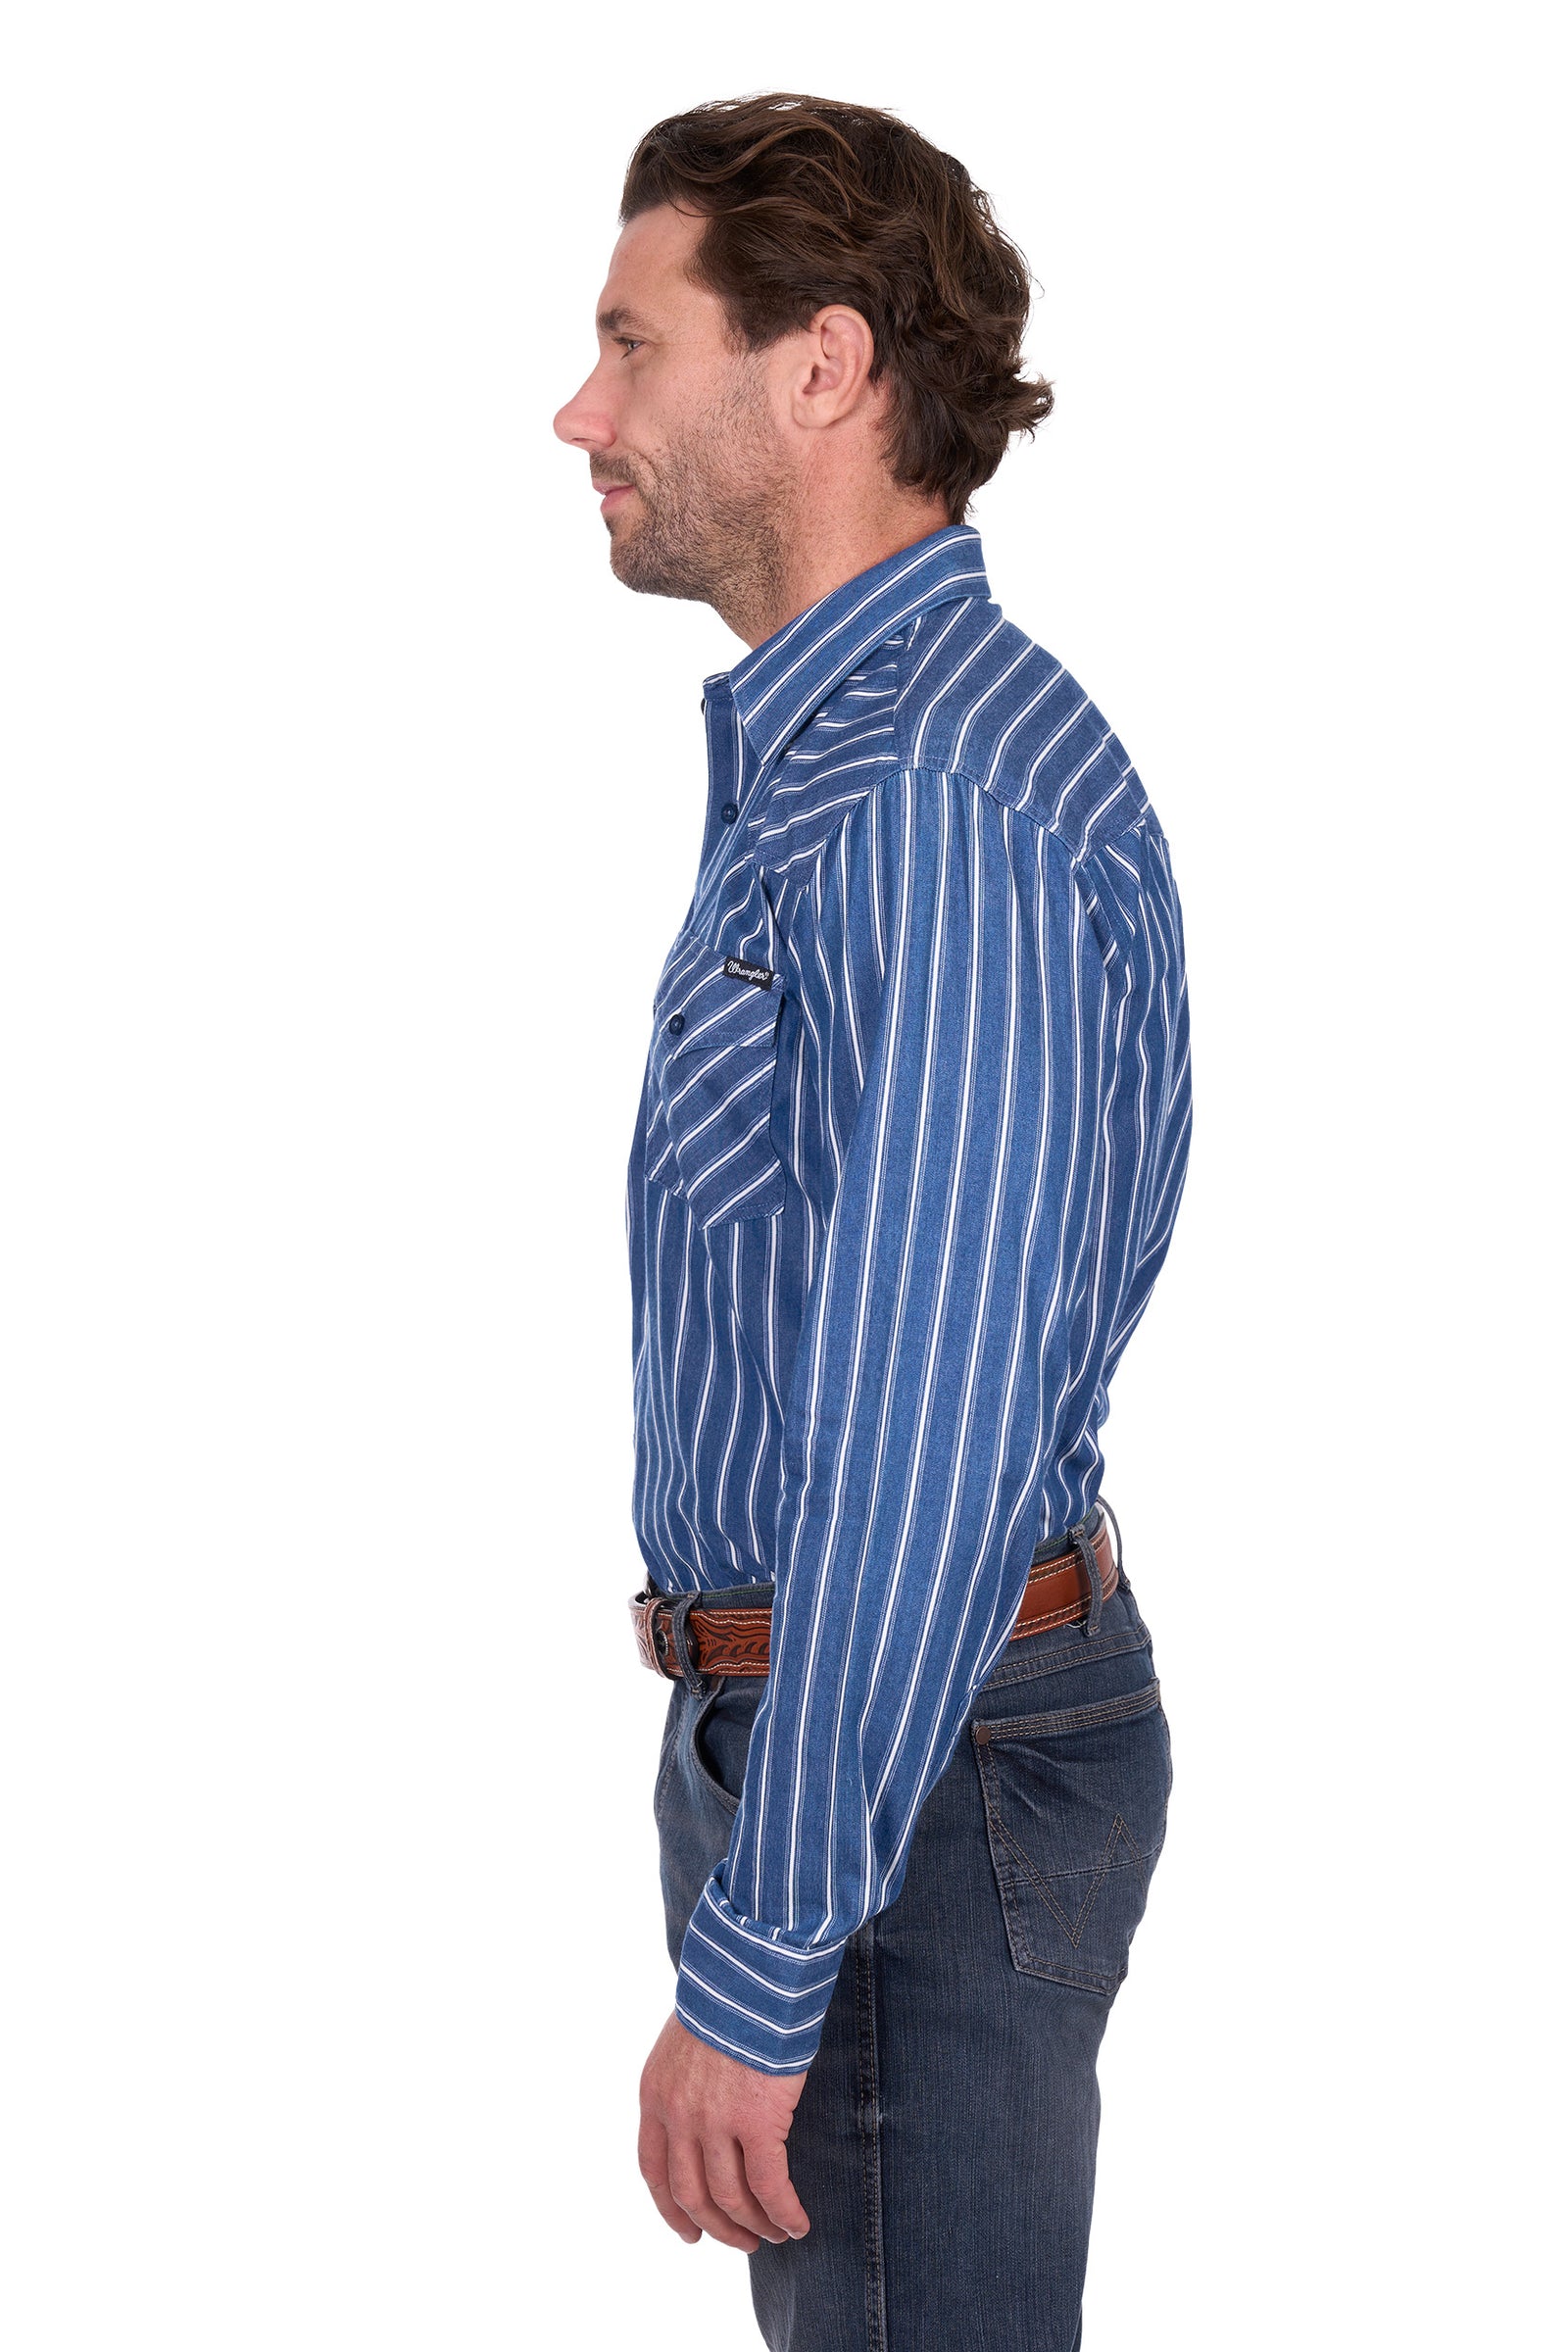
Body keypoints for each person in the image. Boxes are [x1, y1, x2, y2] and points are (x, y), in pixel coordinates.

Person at [554, 93, 1192, 2352]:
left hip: (908, 1780)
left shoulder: (926, 793)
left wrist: (761, 1948)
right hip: (856, 1762)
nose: (579, 409)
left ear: (816, 368)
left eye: (633, 344)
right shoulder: (849, 764)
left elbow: (921, 1437)